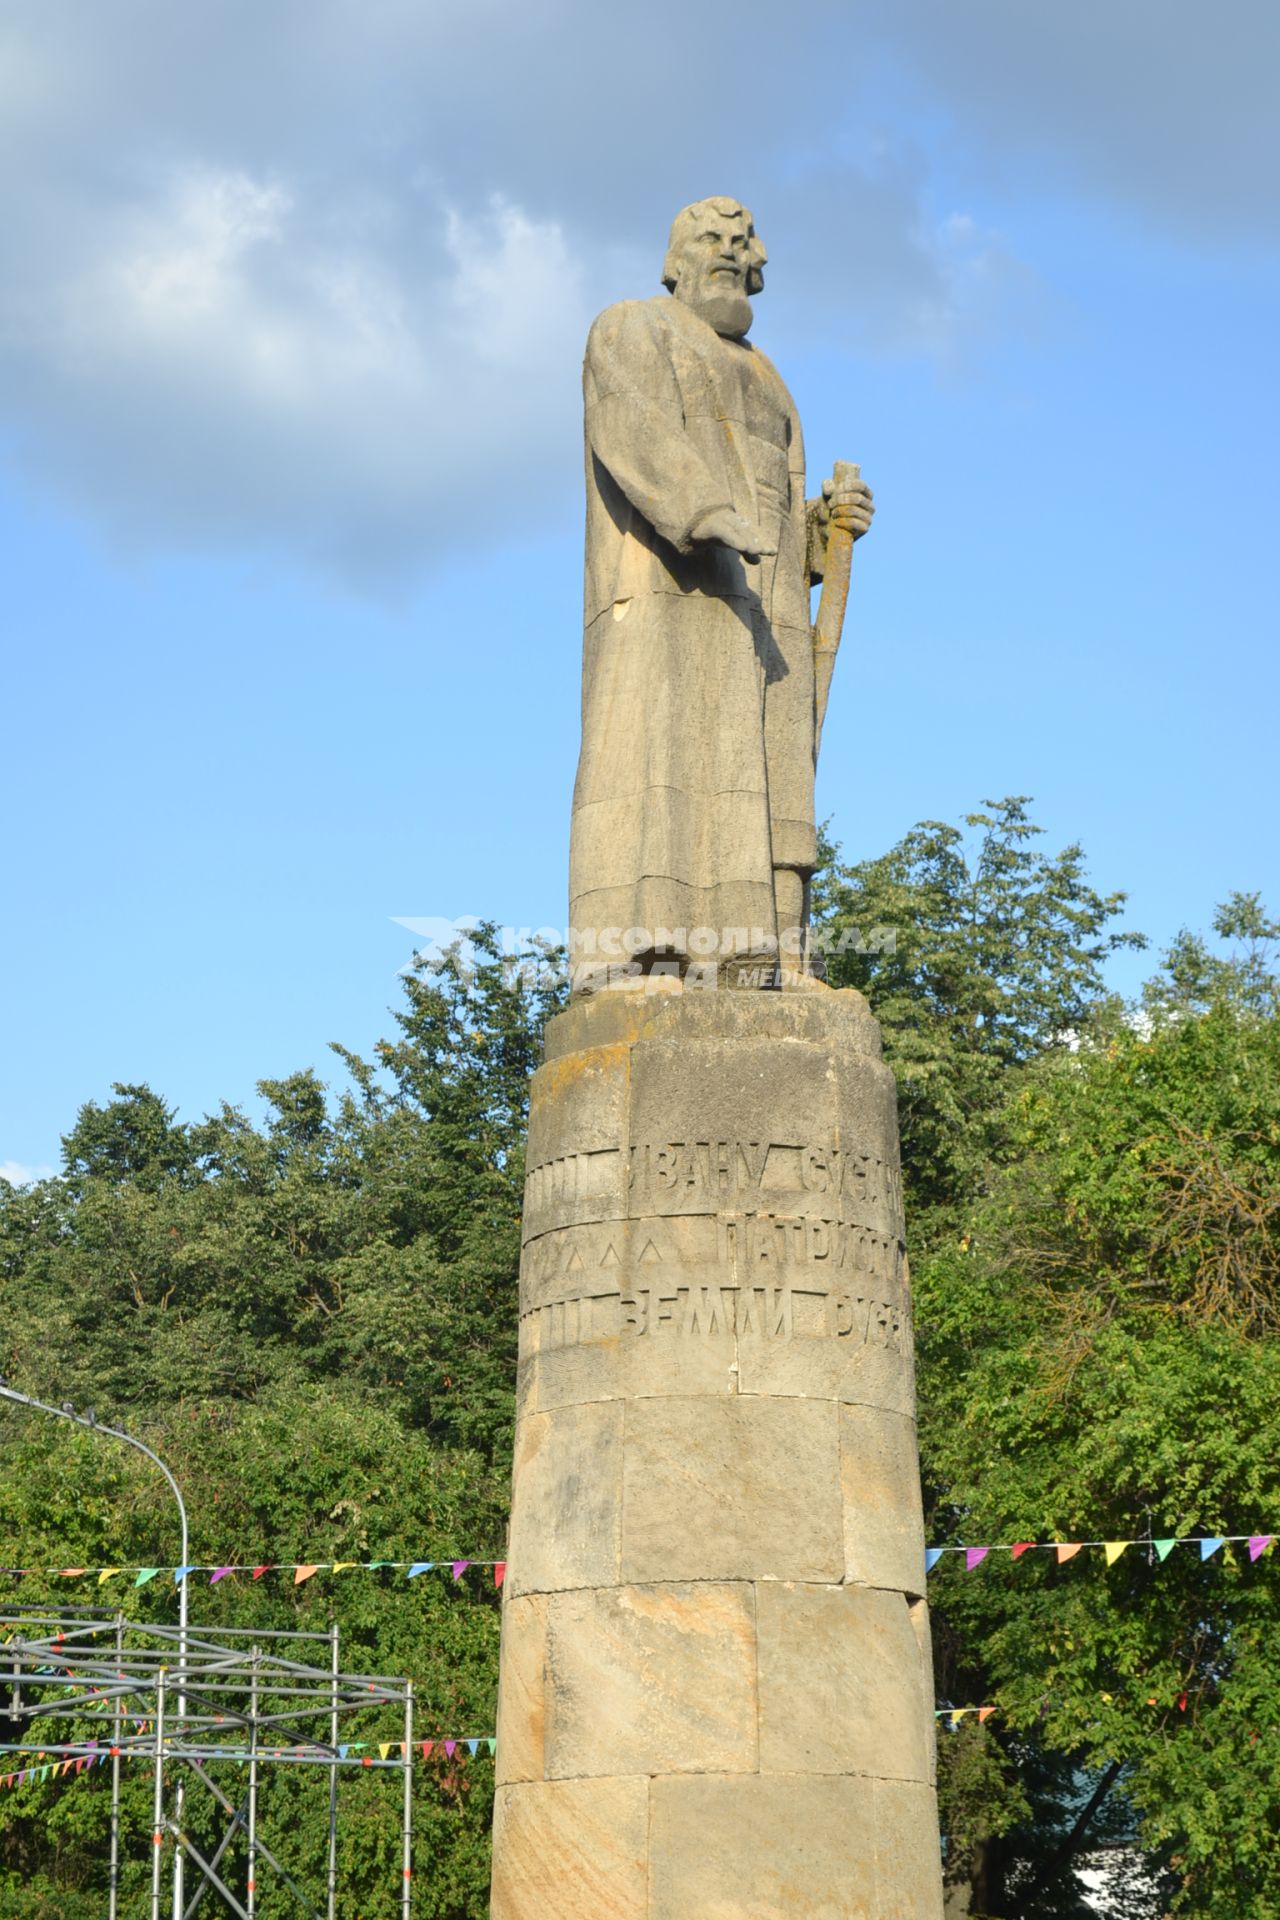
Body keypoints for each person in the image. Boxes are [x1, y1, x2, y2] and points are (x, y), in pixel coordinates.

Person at [568, 196, 873, 990]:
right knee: (664, 763)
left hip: (765, 613)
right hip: (671, 589)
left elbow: (779, 501)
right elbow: (628, 425)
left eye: (743, 244)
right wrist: (706, 513)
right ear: (675, 259)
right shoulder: (630, 326)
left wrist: (821, 530)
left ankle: (766, 959)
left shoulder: (767, 375)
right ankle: (653, 958)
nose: (732, 255)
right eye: (712, 241)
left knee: (773, 782)